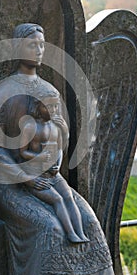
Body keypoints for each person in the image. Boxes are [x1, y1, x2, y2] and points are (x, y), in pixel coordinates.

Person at [0, 23, 117, 275]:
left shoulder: (50, 91)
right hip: (14, 188)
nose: (39, 50)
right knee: (50, 228)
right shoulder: (1, 92)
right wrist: (27, 178)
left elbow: (59, 142)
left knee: (89, 221)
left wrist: (58, 134)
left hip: (50, 178)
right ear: (17, 48)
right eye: (32, 45)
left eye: (42, 44)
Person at [19, 88, 89, 243]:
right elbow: (22, 153)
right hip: (37, 174)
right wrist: (40, 157)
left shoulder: (56, 126)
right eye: (48, 107)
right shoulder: (30, 127)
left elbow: (59, 149)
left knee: (69, 197)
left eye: (55, 107)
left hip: (54, 174)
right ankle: (70, 234)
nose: (53, 110)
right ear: (38, 107)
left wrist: (65, 133)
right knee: (57, 199)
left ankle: (80, 233)